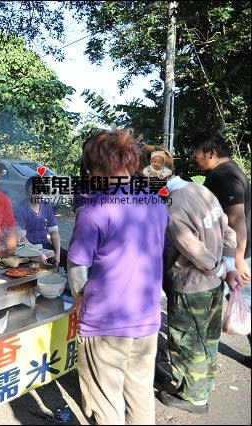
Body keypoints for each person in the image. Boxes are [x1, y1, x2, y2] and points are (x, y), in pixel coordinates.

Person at [67, 129, 169, 424]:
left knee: (106, 403)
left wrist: (79, 298)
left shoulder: (95, 210)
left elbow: (76, 268)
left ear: (97, 167)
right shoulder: (156, 204)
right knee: (139, 395)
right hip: (148, 319)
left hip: (105, 323)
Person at [159, 170, 244, 413]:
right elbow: (227, 230)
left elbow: (194, 250)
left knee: (187, 341)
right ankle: (206, 383)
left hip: (191, 286)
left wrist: (217, 269)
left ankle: (193, 397)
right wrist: (227, 267)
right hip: (214, 285)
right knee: (207, 336)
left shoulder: (172, 208)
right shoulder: (200, 190)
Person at [188, 131, 251, 364]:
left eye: (197, 154)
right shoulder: (229, 170)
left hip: (238, 253)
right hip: (236, 251)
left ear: (211, 153)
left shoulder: (224, 176)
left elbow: (236, 220)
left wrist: (238, 259)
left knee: (246, 303)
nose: (195, 159)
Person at [14, 177, 67, 268]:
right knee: (34, 270)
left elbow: (54, 233)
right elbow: (21, 237)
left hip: (44, 246)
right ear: (27, 192)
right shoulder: (21, 208)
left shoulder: (46, 206)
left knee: (69, 259)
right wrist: (37, 254)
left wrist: (57, 254)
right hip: (26, 248)